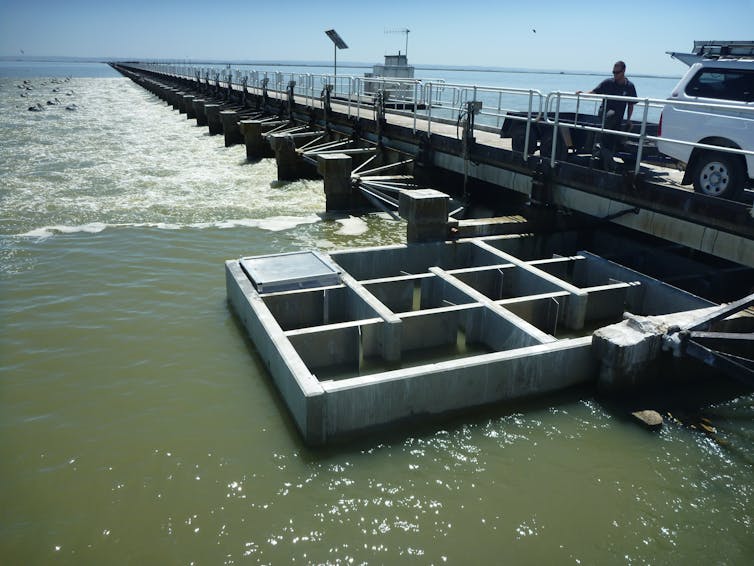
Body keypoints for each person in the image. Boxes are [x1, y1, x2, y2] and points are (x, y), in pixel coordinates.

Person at [577, 61, 637, 168]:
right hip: (605, 113)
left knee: (612, 138)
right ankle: (604, 153)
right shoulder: (608, 83)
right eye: (613, 72)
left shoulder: (629, 86)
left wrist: (628, 120)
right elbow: (594, 92)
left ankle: (606, 155)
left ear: (623, 71)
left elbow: (631, 104)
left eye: (617, 72)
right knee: (610, 117)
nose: (614, 74)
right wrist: (582, 94)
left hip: (618, 117)